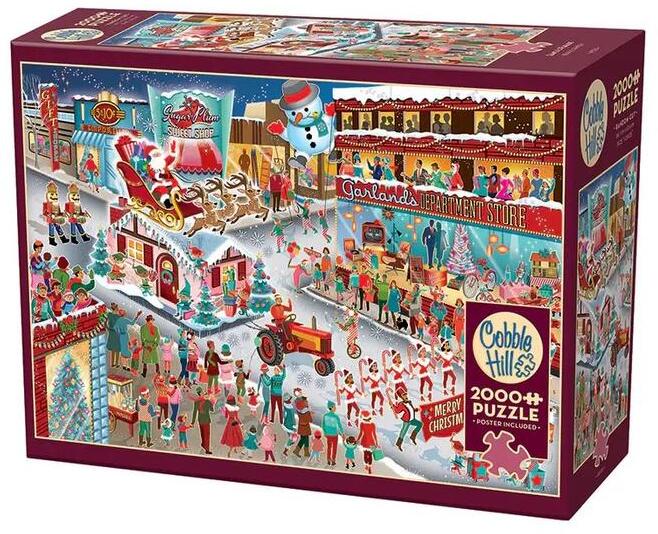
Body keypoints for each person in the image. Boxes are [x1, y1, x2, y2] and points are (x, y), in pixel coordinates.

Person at [389, 387, 423, 452]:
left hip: (412, 419)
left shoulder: (409, 402)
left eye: (405, 394)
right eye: (403, 395)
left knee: (420, 424)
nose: (405, 396)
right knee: (403, 432)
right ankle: (398, 444)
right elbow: (397, 411)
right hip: (407, 421)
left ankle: (412, 436)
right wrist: (392, 406)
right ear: (401, 397)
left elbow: (411, 409)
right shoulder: (401, 404)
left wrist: (415, 409)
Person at [191, 387, 214, 454]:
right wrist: (211, 402)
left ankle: (203, 444)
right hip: (206, 419)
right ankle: (207, 449)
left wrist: (192, 422)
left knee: (202, 433)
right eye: (203, 392)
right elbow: (212, 410)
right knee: (207, 434)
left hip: (200, 419)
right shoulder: (207, 401)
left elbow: (194, 412)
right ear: (201, 393)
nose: (204, 393)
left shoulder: (196, 402)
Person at [322, 400, 344, 466]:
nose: (335, 408)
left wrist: (325, 432)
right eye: (334, 407)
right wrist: (342, 433)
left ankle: (328, 460)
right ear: (331, 407)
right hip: (334, 435)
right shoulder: (336, 416)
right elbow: (339, 425)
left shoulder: (325, 415)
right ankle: (333, 460)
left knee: (329, 447)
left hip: (328, 435)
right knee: (334, 448)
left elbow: (323, 425)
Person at [356, 410, 379, 474]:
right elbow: (374, 434)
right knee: (370, 455)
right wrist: (376, 442)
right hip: (371, 442)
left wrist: (357, 440)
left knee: (365, 454)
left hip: (364, 441)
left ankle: (366, 465)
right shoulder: (373, 425)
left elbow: (361, 433)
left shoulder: (362, 424)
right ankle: (370, 467)